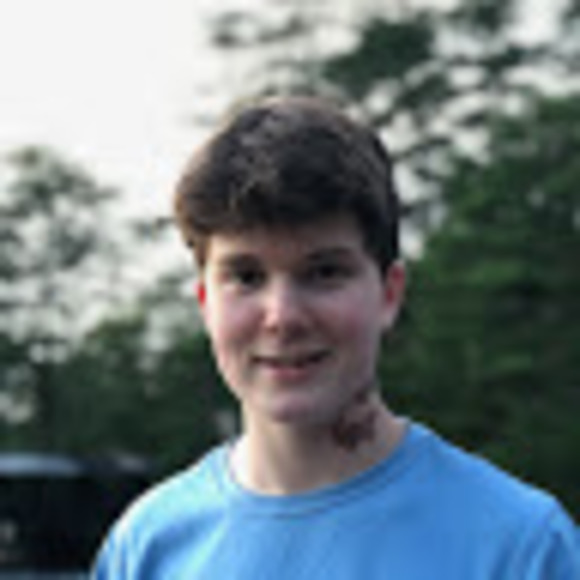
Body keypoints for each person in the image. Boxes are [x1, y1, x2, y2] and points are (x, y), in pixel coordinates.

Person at [92, 95, 579, 579]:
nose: (283, 317)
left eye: (324, 272)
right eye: (246, 277)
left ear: (389, 294)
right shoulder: (146, 548)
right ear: (205, 303)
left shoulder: (521, 547)